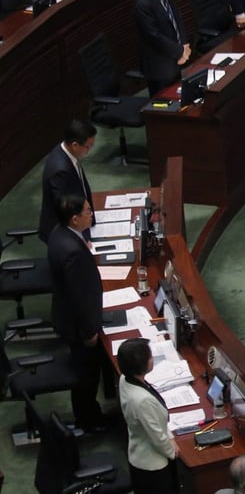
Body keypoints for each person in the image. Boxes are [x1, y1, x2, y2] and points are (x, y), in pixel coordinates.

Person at [48, 193, 107, 431]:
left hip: (69, 316)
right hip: (78, 327)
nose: (91, 213)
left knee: (87, 372)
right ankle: (89, 421)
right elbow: (78, 297)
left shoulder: (58, 233)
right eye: (87, 211)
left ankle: (90, 415)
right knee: (87, 375)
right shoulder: (72, 251)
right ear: (74, 219)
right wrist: (89, 332)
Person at [117, 338, 179, 494]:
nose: (153, 359)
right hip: (152, 465)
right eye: (150, 357)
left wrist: (170, 436)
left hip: (138, 452)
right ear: (141, 365)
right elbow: (156, 435)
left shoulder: (125, 379)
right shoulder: (143, 400)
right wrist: (172, 451)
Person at [135, 0, 190, 96]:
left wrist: (184, 44)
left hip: (174, 55)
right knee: (165, 104)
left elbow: (177, 17)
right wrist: (179, 51)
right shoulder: (143, 3)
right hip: (159, 65)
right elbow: (154, 36)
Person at [38, 119, 96, 244]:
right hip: (63, 236)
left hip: (79, 219)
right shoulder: (60, 171)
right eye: (88, 146)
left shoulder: (67, 153)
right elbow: (66, 211)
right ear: (75, 145)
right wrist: (82, 240)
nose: (89, 150)